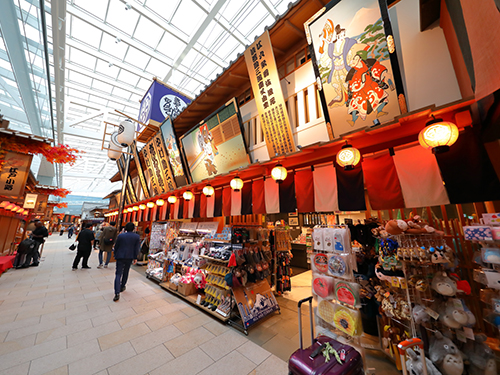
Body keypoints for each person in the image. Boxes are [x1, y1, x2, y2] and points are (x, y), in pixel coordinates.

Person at [113, 222, 140, 301]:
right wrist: (135, 257)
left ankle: (116, 292)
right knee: (126, 271)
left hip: (120, 256)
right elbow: (136, 248)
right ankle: (122, 286)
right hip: (130, 256)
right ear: (133, 228)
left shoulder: (121, 236)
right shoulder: (136, 236)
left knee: (118, 273)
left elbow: (116, 246)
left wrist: (115, 254)